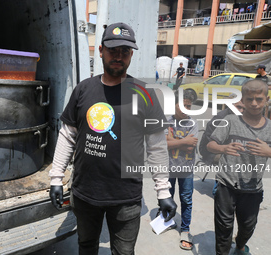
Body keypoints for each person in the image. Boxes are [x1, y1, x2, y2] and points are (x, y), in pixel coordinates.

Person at [49, 22, 177, 255]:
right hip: (85, 193)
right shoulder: (83, 90)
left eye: (125, 52)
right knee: (86, 247)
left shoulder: (145, 94)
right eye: (113, 50)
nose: (118, 56)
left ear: (131, 56)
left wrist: (163, 192)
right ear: (100, 51)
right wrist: (56, 178)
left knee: (124, 252)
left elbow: (157, 149)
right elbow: (68, 136)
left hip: (125, 198)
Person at [207, 80, 271, 255]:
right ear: (242, 99)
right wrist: (223, 148)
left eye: (259, 99)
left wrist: (269, 152)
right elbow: (210, 145)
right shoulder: (230, 121)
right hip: (226, 184)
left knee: (248, 225)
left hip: (253, 189)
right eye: (249, 99)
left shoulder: (270, 128)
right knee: (223, 227)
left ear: (266, 99)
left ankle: (241, 245)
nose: (254, 103)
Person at [164, 90, 198, 250]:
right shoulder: (166, 121)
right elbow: (162, 144)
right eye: (183, 105)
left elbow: (191, 147)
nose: (186, 109)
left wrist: (172, 140)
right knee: (166, 196)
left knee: (186, 199)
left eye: (189, 106)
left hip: (186, 168)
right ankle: (167, 220)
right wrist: (184, 141)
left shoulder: (193, 123)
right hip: (168, 166)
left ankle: (185, 229)